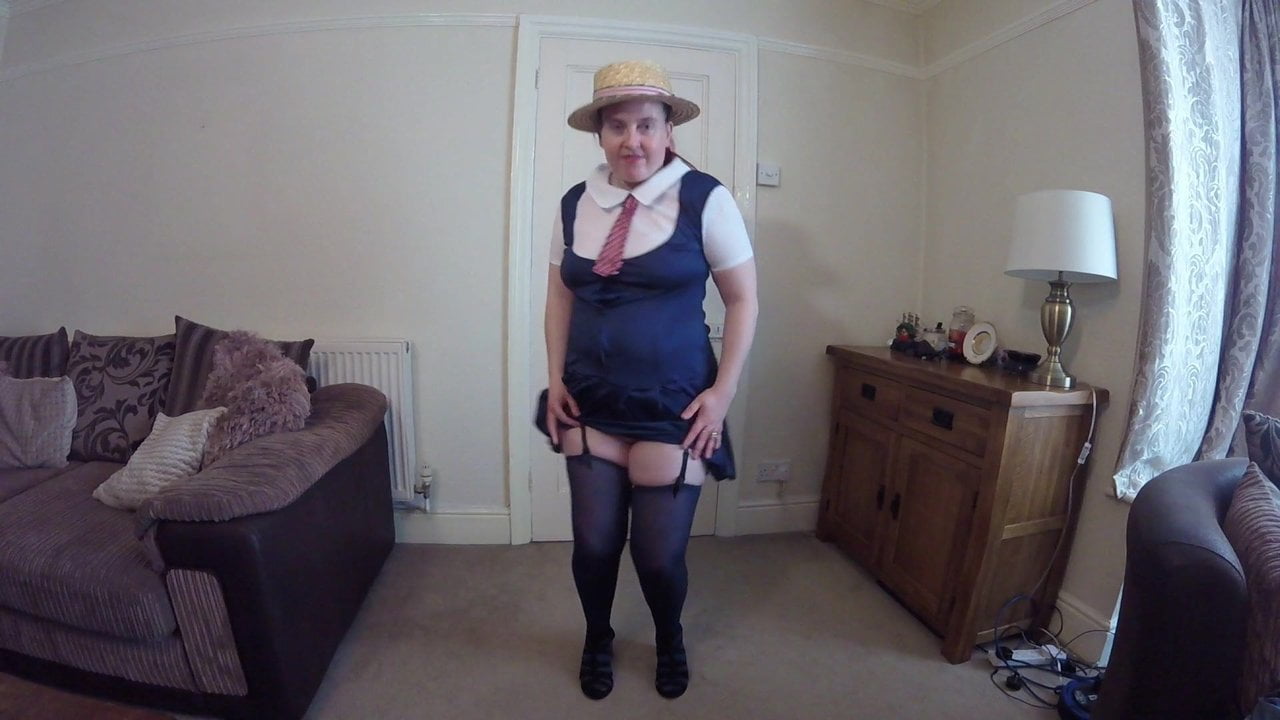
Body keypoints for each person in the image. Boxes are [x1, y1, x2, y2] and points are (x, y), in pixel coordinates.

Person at [538, 59, 759, 701]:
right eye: (617, 126)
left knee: (658, 557)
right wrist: (554, 378)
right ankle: (597, 636)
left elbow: (743, 300)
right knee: (594, 546)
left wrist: (722, 394)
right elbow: (559, 297)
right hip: (589, 401)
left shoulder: (705, 198)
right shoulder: (574, 204)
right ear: (600, 134)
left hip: (673, 407)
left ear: (668, 131)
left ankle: (669, 636)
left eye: (645, 125)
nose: (631, 140)